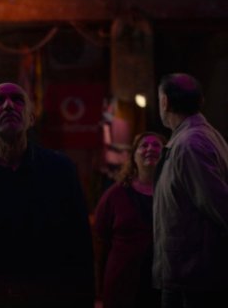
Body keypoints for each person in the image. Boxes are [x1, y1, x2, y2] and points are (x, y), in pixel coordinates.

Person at [0, 83, 94, 308]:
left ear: (30, 118)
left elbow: (79, 248)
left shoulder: (60, 171)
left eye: (17, 100)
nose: (8, 106)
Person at [153, 73, 228, 308]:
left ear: (164, 101)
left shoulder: (190, 144)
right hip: (190, 272)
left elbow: (220, 204)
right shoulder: (197, 136)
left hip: (192, 275)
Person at [94, 132, 166, 308]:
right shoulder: (115, 195)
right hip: (123, 286)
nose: (150, 149)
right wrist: (97, 291)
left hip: (163, 287)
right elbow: (99, 242)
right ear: (133, 156)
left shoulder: (173, 194)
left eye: (157, 145)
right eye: (144, 145)